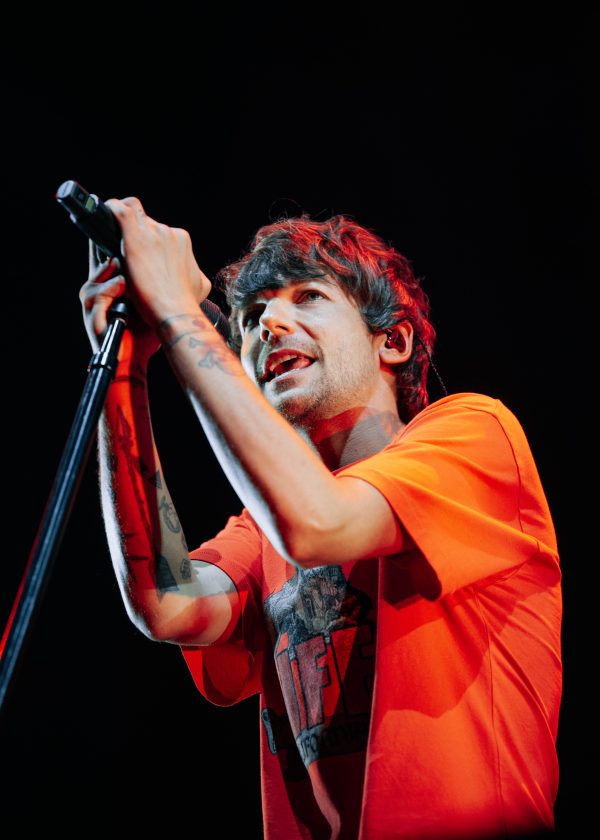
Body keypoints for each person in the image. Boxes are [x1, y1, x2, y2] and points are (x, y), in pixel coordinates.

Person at [80, 197, 562, 840]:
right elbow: (167, 605)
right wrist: (122, 373)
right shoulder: (264, 528)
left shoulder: (474, 435)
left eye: (307, 297)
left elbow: (317, 524)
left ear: (393, 340)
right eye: (252, 317)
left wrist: (175, 311)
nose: (270, 324)